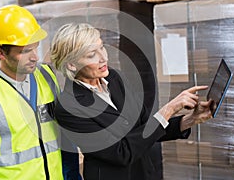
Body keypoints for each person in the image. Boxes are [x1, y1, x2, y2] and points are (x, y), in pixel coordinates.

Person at [49, 23, 214, 180]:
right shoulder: (69, 107)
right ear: (71, 65)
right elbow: (121, 153)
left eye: (102, 47)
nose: (103, 57)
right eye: (92, 54)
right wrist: (169, 109)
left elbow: (146, 128)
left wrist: (191, 119)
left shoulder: (115, 78)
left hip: (144, 173)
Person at [0, 5, 80, 180]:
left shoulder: (48, 77)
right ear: (0, 52)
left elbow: (65, 139)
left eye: (35, 47)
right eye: (25, 51)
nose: (35, 57)